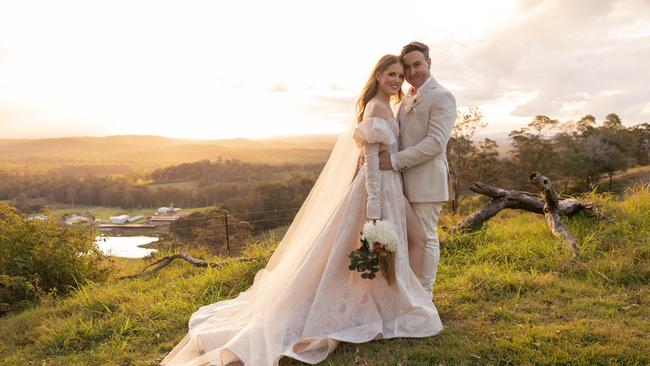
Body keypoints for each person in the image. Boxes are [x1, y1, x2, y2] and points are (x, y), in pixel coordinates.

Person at [161, 55, 442, 366]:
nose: (397, 80)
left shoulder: (386, 106)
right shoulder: (377, 108)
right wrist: (374, 208)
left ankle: (404, 299)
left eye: (400, 76)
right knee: (379, 248)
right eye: (391, 74)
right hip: (377, 191)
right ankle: (402, 302)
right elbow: (372, 165)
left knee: (409, 241)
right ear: (377, 75)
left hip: (391, 187)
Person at [379, 41, 457, 294]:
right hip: (402, 183)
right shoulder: (407, 97)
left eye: (417, 65)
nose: (412, 72)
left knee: (426, 238)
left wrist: (392, 162)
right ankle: (407, 293)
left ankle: (425, 295)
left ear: (429, 63)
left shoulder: (442, 96)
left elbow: (435, 143)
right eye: (407, 67)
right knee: (411, 239)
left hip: (426, 183)